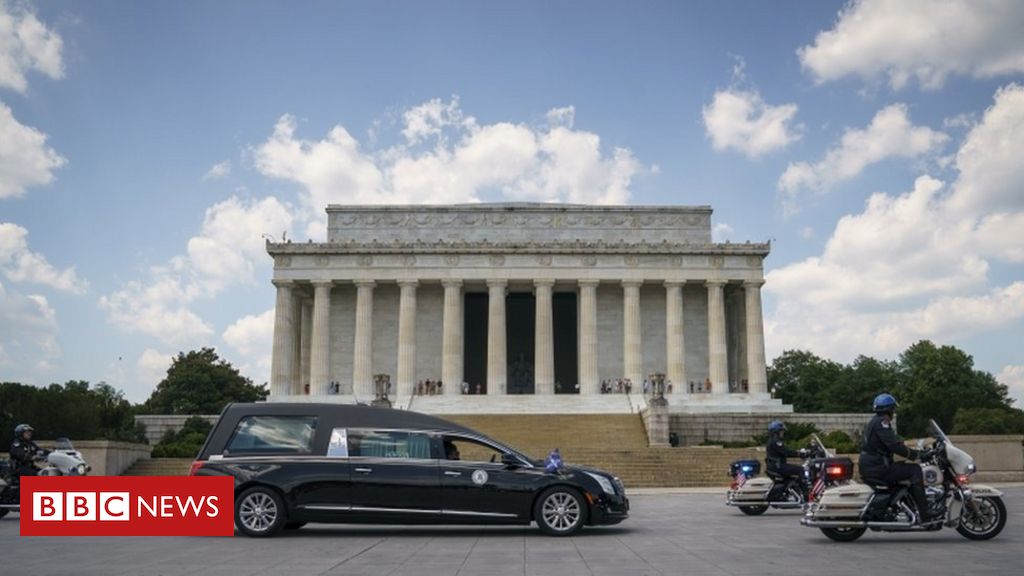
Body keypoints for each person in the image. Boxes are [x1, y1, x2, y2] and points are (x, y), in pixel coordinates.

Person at [859, 393, 935, 523]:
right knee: (915, 470)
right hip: (878, 468)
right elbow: (894, 446)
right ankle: (925, 513)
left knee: (904, 467)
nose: (893, 412)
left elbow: (894, 443)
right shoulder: (882, 422)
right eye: (892, 409)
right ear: (888, 409)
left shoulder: (875, 422)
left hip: (873, 465)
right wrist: (918, 456)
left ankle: (907, 504)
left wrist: (912, 452)